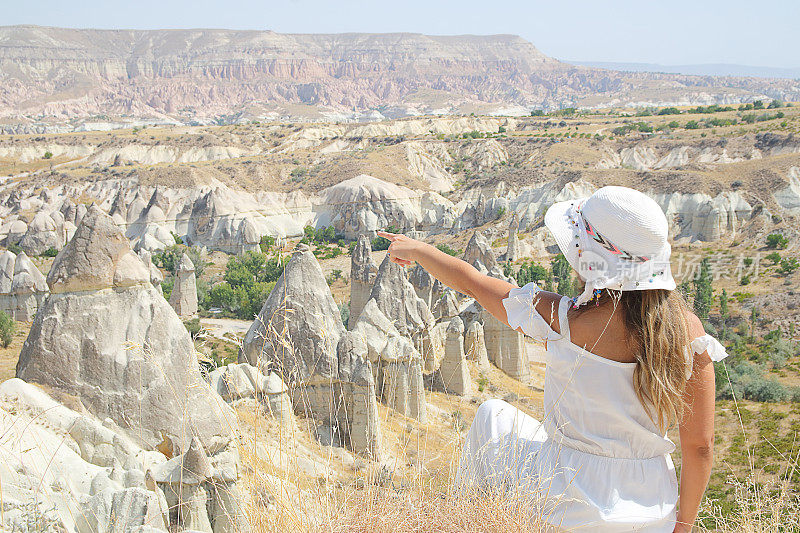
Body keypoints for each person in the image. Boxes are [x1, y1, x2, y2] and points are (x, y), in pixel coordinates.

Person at [379, 186, 729, 532]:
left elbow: (472, 283)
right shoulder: (688, 333)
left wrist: (421, 251)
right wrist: (682, 525)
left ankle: (471, 522)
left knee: (492, 416)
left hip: (567, 501)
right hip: (651, 509)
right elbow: (700, 447)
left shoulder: (563, 319)